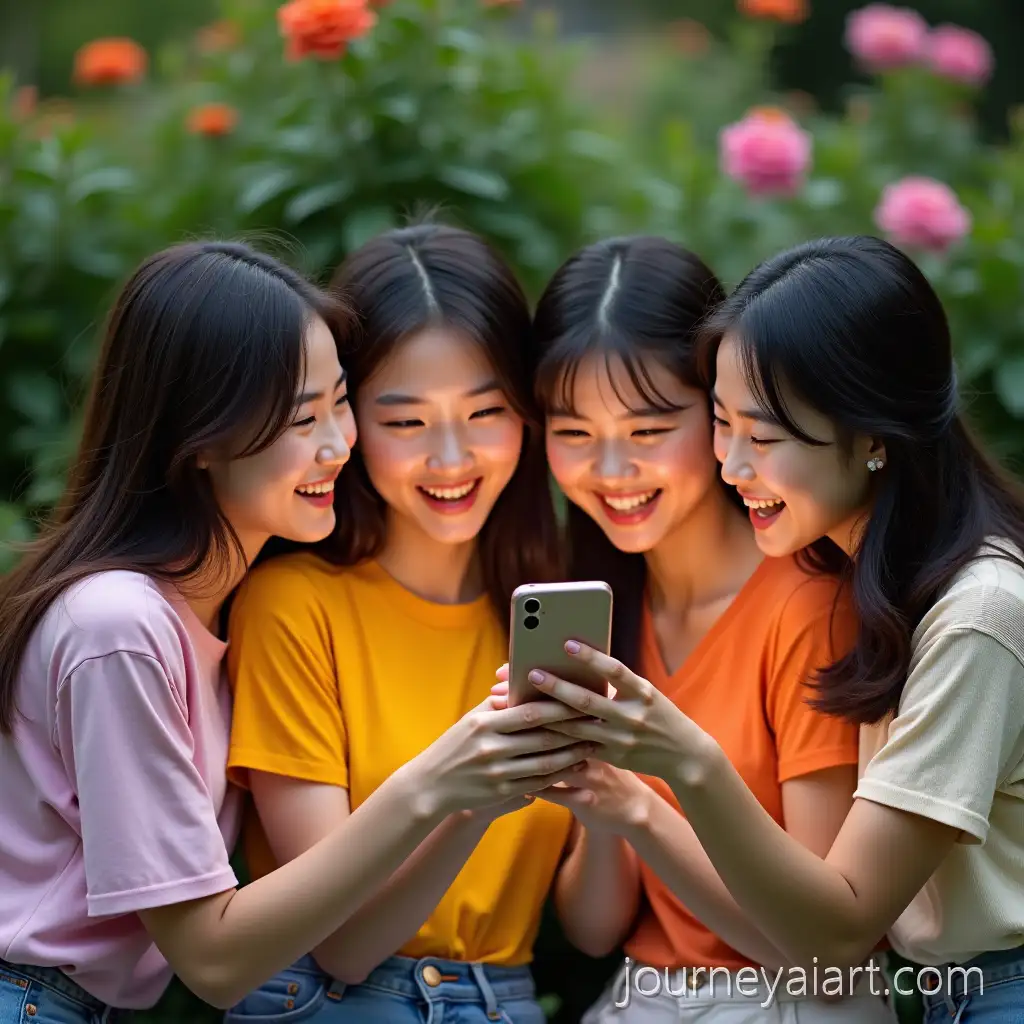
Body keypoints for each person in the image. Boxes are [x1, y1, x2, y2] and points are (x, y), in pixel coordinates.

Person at [0, 240, 586, 1024]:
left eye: (338, 403)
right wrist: (444, 780)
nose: (338, 444)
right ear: (200, 439)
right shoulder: (121, 627)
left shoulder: (192, 622)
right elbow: (213, 958)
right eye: (301, 418)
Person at [521, 236, 1024, 1024]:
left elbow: (838, 933)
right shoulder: (887, 582)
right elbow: (594, 928)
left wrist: (679, 764)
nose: (732, 465)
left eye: (766, 435)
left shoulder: (974, 614)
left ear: (874, 435)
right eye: (723, 424)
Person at [222, 224, 589, 1024]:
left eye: (486, 412)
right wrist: (473, 796)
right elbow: (344, 943)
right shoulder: (293, 605)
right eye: (407, 421)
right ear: (348, 424)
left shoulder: (547, 615)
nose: (451, 457)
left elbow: (592, 927)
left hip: (510, 1001)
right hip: (330, 1004)